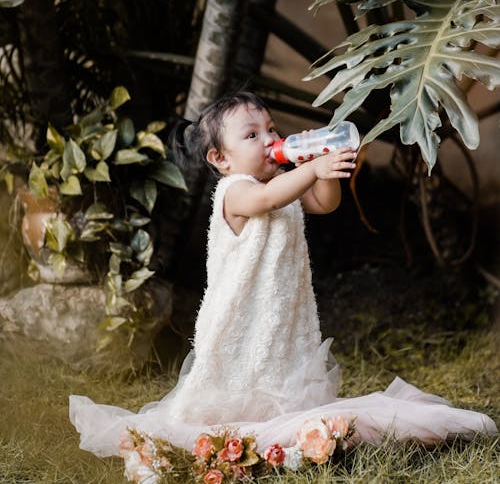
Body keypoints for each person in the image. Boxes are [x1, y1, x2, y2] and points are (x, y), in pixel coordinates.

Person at [69, 91, 497, 459]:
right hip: (240, 319)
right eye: (252, 135)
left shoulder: (289, 180)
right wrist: (308, 171)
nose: (271, 140)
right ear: (220, 158)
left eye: (271, 129)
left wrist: (325, 165)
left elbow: (323, 203)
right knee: (229, 400)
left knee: (286, 387)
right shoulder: (235, 191)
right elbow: (266, 200)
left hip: (281, 315)